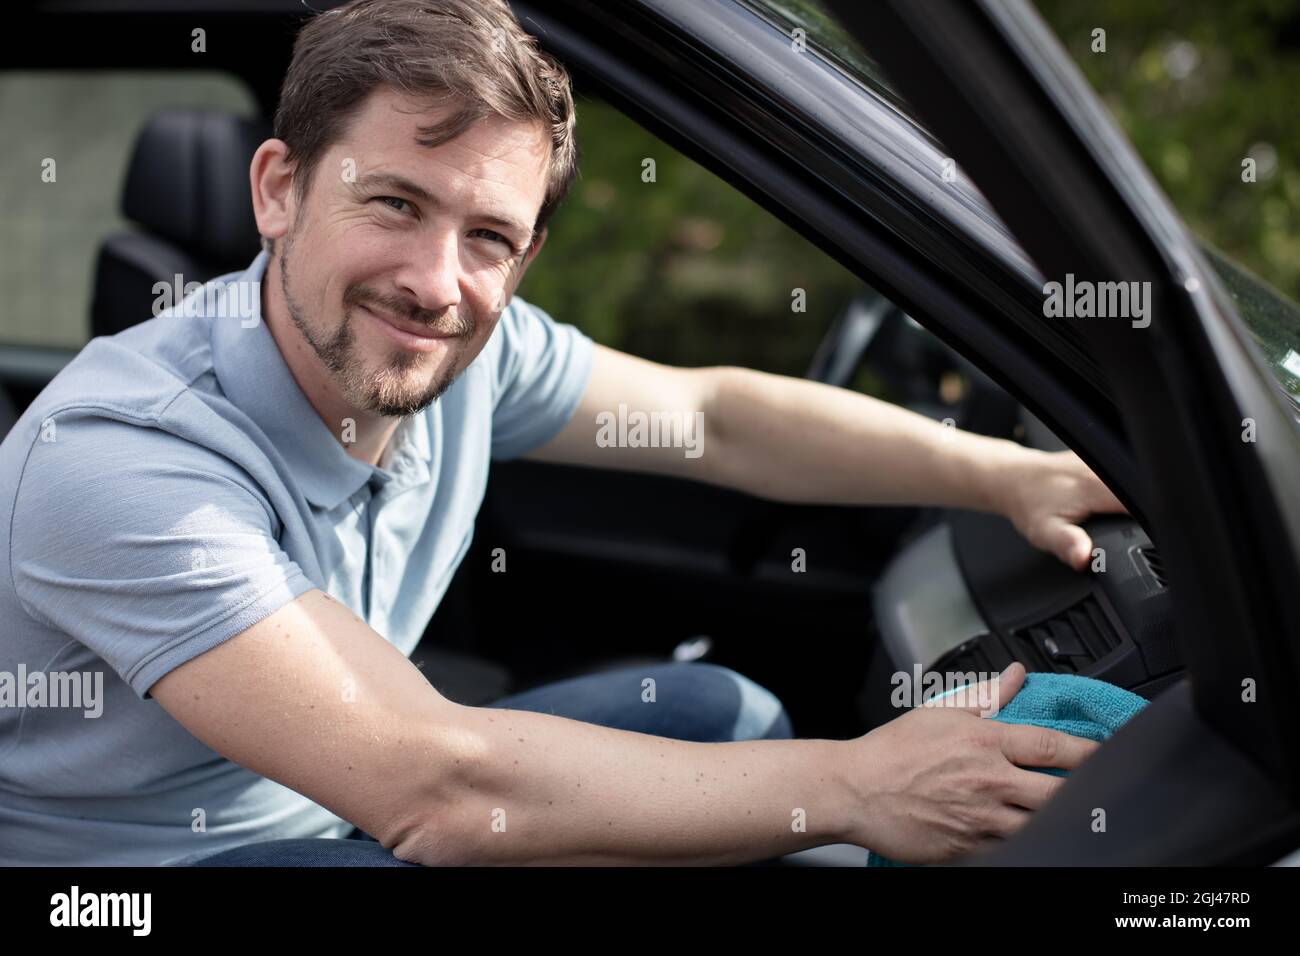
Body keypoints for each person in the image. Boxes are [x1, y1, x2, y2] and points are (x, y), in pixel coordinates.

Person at [0, 0, 1119, 866]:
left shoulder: (466, 348)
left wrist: (1006, 473)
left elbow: (712, 418)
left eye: (487, 232)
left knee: (727, 716)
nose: (435, 281)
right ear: (280, 188)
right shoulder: (119, 458)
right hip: (134, 873)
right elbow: (430, 790)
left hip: (329, 795)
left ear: (525, 252)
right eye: (394, 202)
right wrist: (862, 784)